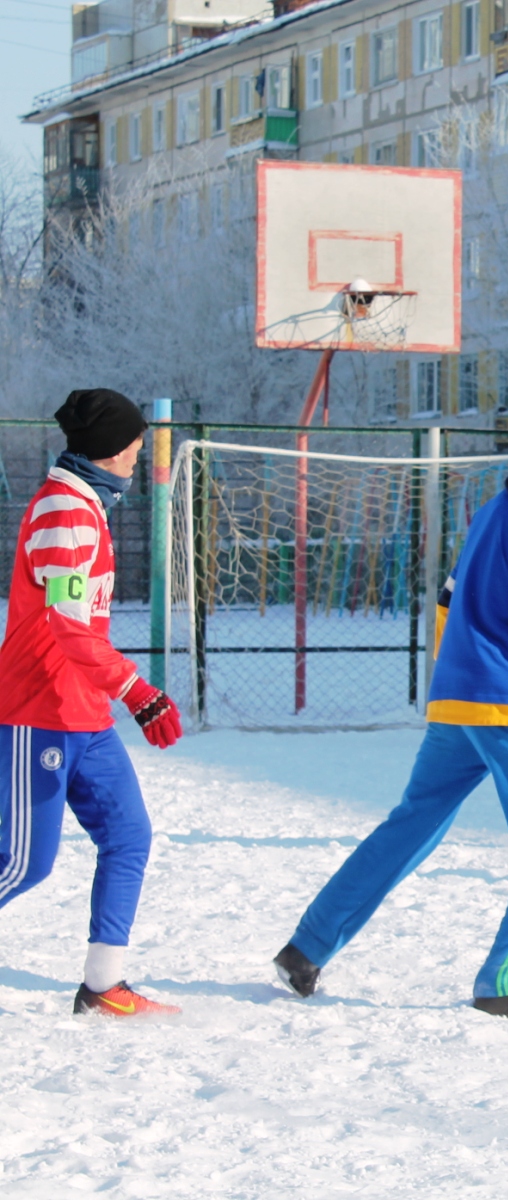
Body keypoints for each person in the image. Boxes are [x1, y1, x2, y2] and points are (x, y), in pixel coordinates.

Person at [272, 410, 508, 1017]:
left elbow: (447, 601)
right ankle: (505, 980)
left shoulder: (499, 506)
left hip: (456, 695)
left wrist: (456, 670)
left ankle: (307, 947)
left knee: (413, 822)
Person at [0, 389, 185, 1017]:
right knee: (22, 864)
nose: (139, 455)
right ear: (110, 449)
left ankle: (103, 985)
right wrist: (138, 690)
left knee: (129, 836)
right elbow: (67, 625)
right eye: (134, 444)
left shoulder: (87, 505)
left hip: (84, 713)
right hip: (40, 710)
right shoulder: (63, 511)